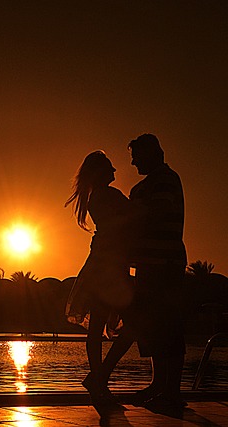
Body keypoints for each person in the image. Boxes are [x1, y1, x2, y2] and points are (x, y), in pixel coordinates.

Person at [65, 151, 135, 406]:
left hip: (102, 265)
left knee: (96, 328)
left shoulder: (96, 197)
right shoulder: (108, 195)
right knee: (133, 325)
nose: (115, 171)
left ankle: (98, 378)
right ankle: (99, 378)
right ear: (100, 172)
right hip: (110, 268)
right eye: (110, 167)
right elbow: (129, 219)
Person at [125, 134, 187, 414]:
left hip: (165, 263)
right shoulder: (144, 186)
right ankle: (159, 384)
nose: (133, 162)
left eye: (136, 156)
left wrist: (130, 211)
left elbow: (155, 212)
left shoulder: (164, 180)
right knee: (153, 326)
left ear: (151, 153)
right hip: (149, 264)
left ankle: (170, 389)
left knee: (168, 326)